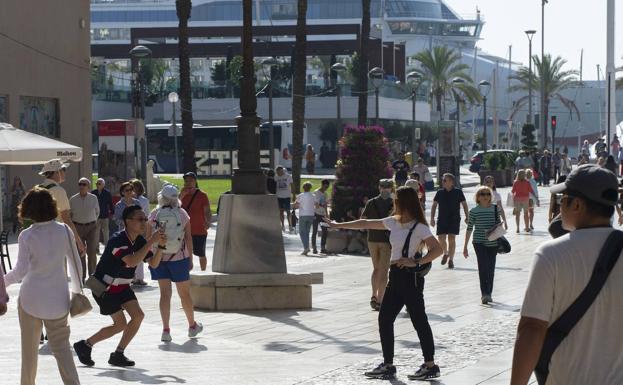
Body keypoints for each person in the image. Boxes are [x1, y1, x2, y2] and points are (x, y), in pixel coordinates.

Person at [510, 164, 623, 385]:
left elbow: (532, 329)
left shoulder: (551, 254)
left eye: (563, 198)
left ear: (577, 204)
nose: (559, 205)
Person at [326, 187, 443, 380]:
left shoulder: (419, 227)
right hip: (395, 275)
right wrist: (338, 224)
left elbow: (437, 249)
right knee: (385, 319)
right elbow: (366, 223)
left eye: (397, 200)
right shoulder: (393, 222)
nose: (394, 203)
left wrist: (416, 261)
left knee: (419, 321)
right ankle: (388, 365)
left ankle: (430, 365)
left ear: (405, 203)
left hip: (410, 278)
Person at [4, 188, 82, 385]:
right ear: (52, 206)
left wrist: (1, 282)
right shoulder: (65, 230)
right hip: (58, 300)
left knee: (29, 354)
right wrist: (76, 293)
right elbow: (76, 264)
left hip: (30, 299)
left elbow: (20, 272)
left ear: (28, 209)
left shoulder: (26, 236)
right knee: (63, 350)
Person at [73, 205, 167, 368]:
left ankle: (118, 353)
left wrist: (160, 247)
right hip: (105, 289)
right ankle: (86, 345)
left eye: (145, 219)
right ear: (127, 222)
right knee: (120, 324)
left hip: (122, 287)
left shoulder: (139, 241)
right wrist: (152, 241)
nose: (144, 222)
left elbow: (154, 263)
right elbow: (131, 261)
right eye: (140, 219)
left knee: (138, 316)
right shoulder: (117, 240)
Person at [148, 185, 203, 342]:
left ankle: (166, 330)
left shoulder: (154, 214)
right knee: (184, 294)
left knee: (165, 294)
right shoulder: (182, 214)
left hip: (159, 258)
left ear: (161, 197)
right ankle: (192, 326)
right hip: (179, 258)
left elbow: (148, 237)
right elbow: (188, 238)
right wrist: (191, 259)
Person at [462, 186, 502, 304]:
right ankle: (484, 294)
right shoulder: (473, 211)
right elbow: (469, 229)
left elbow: (498, 225)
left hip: (493, 242)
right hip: (479, 242)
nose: (485, 196)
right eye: (483, 194)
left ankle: (489, 292)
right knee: (483, 267)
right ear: (478, 197)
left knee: (490, 268)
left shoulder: (495, 209)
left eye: (488, 194)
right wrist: (465, 246)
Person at [38, 159, 85, 255]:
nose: (64, 172)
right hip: (55, 237)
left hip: (38, 236)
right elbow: (67, 219)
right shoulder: (59, 191)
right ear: (56, 172)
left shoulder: (37, 188)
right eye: (63, 169)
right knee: (59, 268)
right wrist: (79, 242)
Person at [361, 179, 394, 311]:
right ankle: (380, 299)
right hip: (386, 240)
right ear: (391, 188)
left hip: (372, 239)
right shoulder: (394, 202)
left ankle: (374, 295)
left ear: (379, 187)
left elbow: (363, 219)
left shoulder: (371, 202)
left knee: (376, 269)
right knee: (384, 271)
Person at [430, 173, 469, 269]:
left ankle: (451, 260)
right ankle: (446, 253)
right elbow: (434, 205)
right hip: (442, 218)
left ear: (451, 182)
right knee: (441, 238)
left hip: (454, 218)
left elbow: (464, 204)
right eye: (443, 180)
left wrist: (467, 216)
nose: (442, 182)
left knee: (451, 238)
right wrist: (432, 218)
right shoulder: (439, 192)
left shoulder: (458, 192)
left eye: (444, 180)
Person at [69, 177, 100, 282]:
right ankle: (81, 278)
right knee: (80, 252)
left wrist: (91, 221)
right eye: (80, 184)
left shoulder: (94, 198)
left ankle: (93, 277)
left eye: (84, 184)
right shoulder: (73, 199)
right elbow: (70, 214)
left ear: (88, 187)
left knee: (91, 252)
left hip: (91, 227)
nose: (81, 186)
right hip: (78, 228)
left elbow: (97, 212)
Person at [180, 172, 211, 271]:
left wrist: (208, 222)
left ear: (195, 181)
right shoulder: (181, 194)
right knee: (186, 254)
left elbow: (207, 211)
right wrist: (181, 195)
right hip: (185, 231)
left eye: (190, 181)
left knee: (201, 253)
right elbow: (174, 207)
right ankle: (187, 273)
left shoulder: (202, 195)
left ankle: (203, 272)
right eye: (186, 181)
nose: (188, 183)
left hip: (199, 230)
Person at [129, 179, 149, 286]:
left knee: (140, 253)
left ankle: (140, 278)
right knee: (130, 254)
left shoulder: (144, 200)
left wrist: (145, 229)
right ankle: (131, 276)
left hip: (140, 230)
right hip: (129, 230)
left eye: (134, 187)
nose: (132, 190)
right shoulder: (127, 200)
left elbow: (147, 215)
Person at [294, 182, 317, 256]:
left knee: (302, 232)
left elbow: (296, 205)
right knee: (307, 232)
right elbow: (317, 205)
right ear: (310, 188)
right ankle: (306, 247)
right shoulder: (313, 196)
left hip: (303, 215)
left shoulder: (300, 196)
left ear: (303, 188)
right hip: (311, 215)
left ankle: (306, 247)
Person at [92, 178, 113, 253]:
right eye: (96, 183)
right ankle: (97, 249)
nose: (97, 185)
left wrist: (112, 213)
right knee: (96, 233)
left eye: (99, 183)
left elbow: (110, 203)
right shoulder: (93, 193)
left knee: (106, 233)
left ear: (103, 185)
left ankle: (107, 248)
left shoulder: (107, 193)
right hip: (96, 217)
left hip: (105, 216)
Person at [312, 179, 331, 254]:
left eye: (327, 187)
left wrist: (327, 214)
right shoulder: (316, 192)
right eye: (325, 186)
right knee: (314, 231)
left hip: (323, 215)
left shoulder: (325, 194)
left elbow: (325, 205)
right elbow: (316, 205)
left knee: (325, 231)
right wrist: (322, 205)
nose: (326, 188)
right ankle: (314, 248)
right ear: (322, 185)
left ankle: (323, 247)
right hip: (316, 214)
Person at [275, 166, 294, 232]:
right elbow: (274, 185)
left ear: (282, 171)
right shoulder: (276, 177)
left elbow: (292, 185)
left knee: (288, 211)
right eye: (277, 172)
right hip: (279, 197)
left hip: (287, 196)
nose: (278, 173)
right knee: (281, 212)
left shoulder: (288, 176)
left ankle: (290, 225)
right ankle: (282, 225)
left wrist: (293, 195)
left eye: (280, 172)